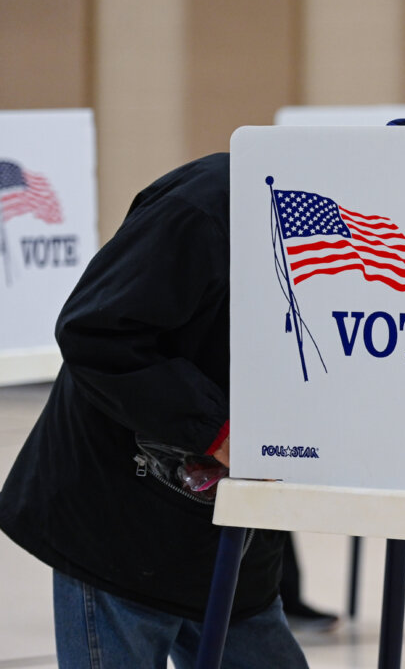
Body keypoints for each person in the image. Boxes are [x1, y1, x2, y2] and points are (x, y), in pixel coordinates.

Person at [0, 153, 309, 668]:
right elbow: (97, 332)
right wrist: (218, 430)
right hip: (122, 516)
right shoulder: (209, 207)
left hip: (233, 532)